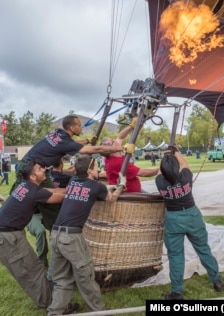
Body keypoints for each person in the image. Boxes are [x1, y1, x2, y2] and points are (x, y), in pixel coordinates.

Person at [11, 114, 135, 231]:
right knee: (21, 198)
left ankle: (53, 226)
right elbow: (96, 149)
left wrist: (86, 140)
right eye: (79, 125)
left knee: (40, 198)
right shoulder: (64, 141)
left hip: (35, 168)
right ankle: (52, 227)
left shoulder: (58, 133)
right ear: (72, 127)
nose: (81, 127)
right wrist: (121, 148)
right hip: (31, 170)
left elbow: (71, 144)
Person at [47, 154, 126, 315]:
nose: (99, 169)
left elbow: (90, 189)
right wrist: (121, 185)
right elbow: (111, 199)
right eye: (96, 167)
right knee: (85, 276)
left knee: (62, 280)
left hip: (55, 234)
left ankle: (54, 312)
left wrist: (106, 187)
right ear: (90, 171)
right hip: (71, 238)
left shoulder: (73, 181)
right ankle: (98, 311)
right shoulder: (96, 187)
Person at [155, 145, 224, 300]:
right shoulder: (186, 176)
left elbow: (161, 170)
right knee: (203, 249)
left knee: (175, 256)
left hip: (173, 219)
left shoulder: (159, 182)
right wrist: (176, 153)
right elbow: (185, 164)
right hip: (192, 215)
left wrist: (166, 156)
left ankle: (177, 292)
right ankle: (217, 281)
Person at [0, 161, 66, 309]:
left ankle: (47, 298)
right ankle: (53, 306)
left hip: (8, 234)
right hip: (8, 238)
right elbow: (60, 198)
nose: (44, 169)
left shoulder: (25, 186)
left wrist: (70, 188)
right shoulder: (33, 192)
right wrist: (86, 191)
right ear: (33, 176)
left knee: (33, 268)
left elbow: (52, 191)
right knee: (31, 271)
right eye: (39, 169)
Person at [100, 118, 159, 192]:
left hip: (132, 189)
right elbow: (142, 173)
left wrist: (131, 126)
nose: (115, 140)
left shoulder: (112, 154)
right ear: (111, 148)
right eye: (113, 141)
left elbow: (120, 137)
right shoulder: (116, 162)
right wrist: (160, 170)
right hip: (129, 194)